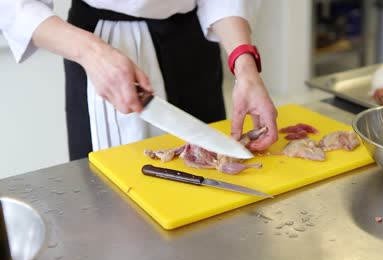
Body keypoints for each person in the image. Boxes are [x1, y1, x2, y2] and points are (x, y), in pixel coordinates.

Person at [0, 0, 278, 161]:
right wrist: (91, 52)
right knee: (112, 210)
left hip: (192, 47)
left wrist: (244, 65)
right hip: (101, 50)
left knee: (210, 178)